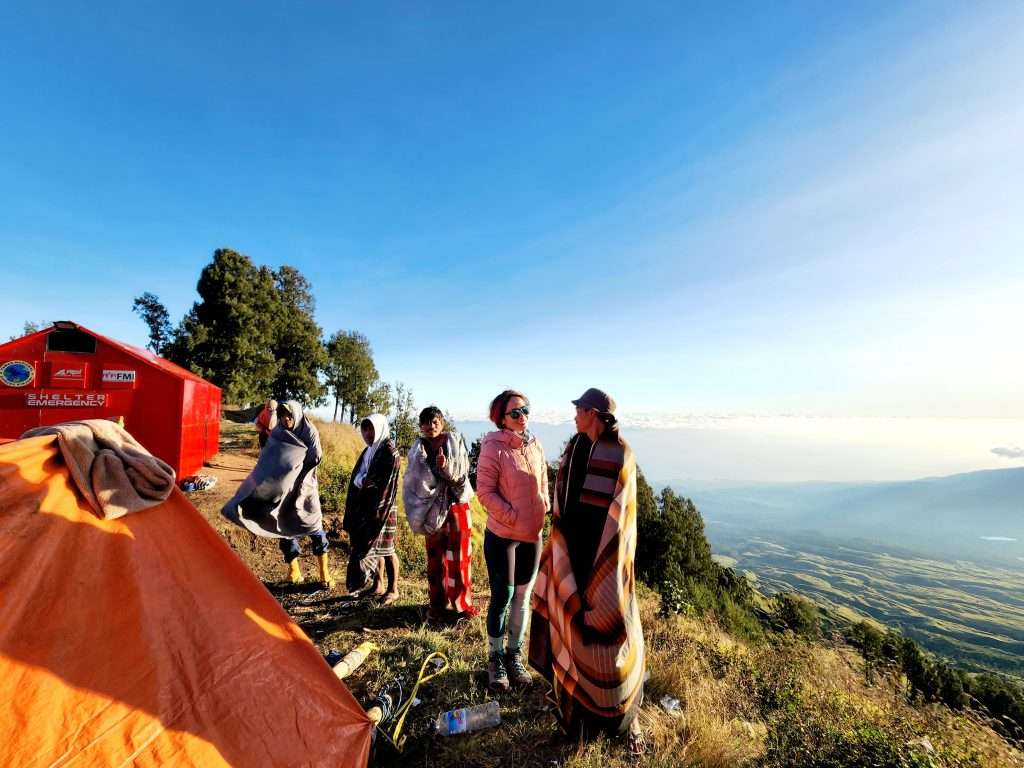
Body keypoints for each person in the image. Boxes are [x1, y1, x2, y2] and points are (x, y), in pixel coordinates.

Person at [529, 388, 646, 752]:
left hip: (605, 571)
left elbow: (620, 522)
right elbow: (563, 501)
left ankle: (619, 718)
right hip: (572, 561)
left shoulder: (619, 454)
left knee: (608, 643)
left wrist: (601, 571)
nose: (575, 415)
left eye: (579, 409)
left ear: (594, 413)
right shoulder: (576, 448)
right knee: (569, 635)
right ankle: (576, 719)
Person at [476, 389, 548, 691]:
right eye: (515, 413)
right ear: (501, 418)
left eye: (526, 409)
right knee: (503, 597)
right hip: (504, 537)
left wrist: (544, 504)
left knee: (522, 598)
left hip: (533, 537)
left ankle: (514, 654)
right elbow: (485, 493)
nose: (523, 416)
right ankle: (495, 657)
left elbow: (543, 479)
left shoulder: (535, 445)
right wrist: (513, 516)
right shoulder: (493, 447)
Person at [222, 400, 334, 587]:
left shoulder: (309, 432)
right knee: (282, 524)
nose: (286, 419)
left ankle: (324, 574)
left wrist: (294, 463)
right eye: (282, 415)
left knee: (313, 524)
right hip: (283, 486)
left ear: (296, 414)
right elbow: (271, 453)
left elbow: (315, 458)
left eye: (289, 415)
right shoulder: (280, 430)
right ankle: (294, 572)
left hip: (305, 486)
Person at [403, 406, 478, 622]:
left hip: (456, 508)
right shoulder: (418, 447)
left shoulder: (453, 441)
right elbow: (415, 478)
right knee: (435, 559)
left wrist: (445, 467)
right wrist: (425, 464)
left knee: (460, 557)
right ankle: (437, 603)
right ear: (420, 426)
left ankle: (461, 605)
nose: (430, 427)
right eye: (425, 423)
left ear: (442, 423)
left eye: (434, 422)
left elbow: (461, 474)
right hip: (431, 510)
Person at [343, 413, 401, 604]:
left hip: (383, 507)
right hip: (366, 507)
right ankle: (378, 585)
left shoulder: (390, 453)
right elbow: (358, 478)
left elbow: (384, 484)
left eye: (371, 429)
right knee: (374, 547)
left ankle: (393, 589)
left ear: (380, 428)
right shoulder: (369, 451)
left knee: (387, 548)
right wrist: (363, 481)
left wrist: (367, 482)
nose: (367, 433)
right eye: (365, 429)